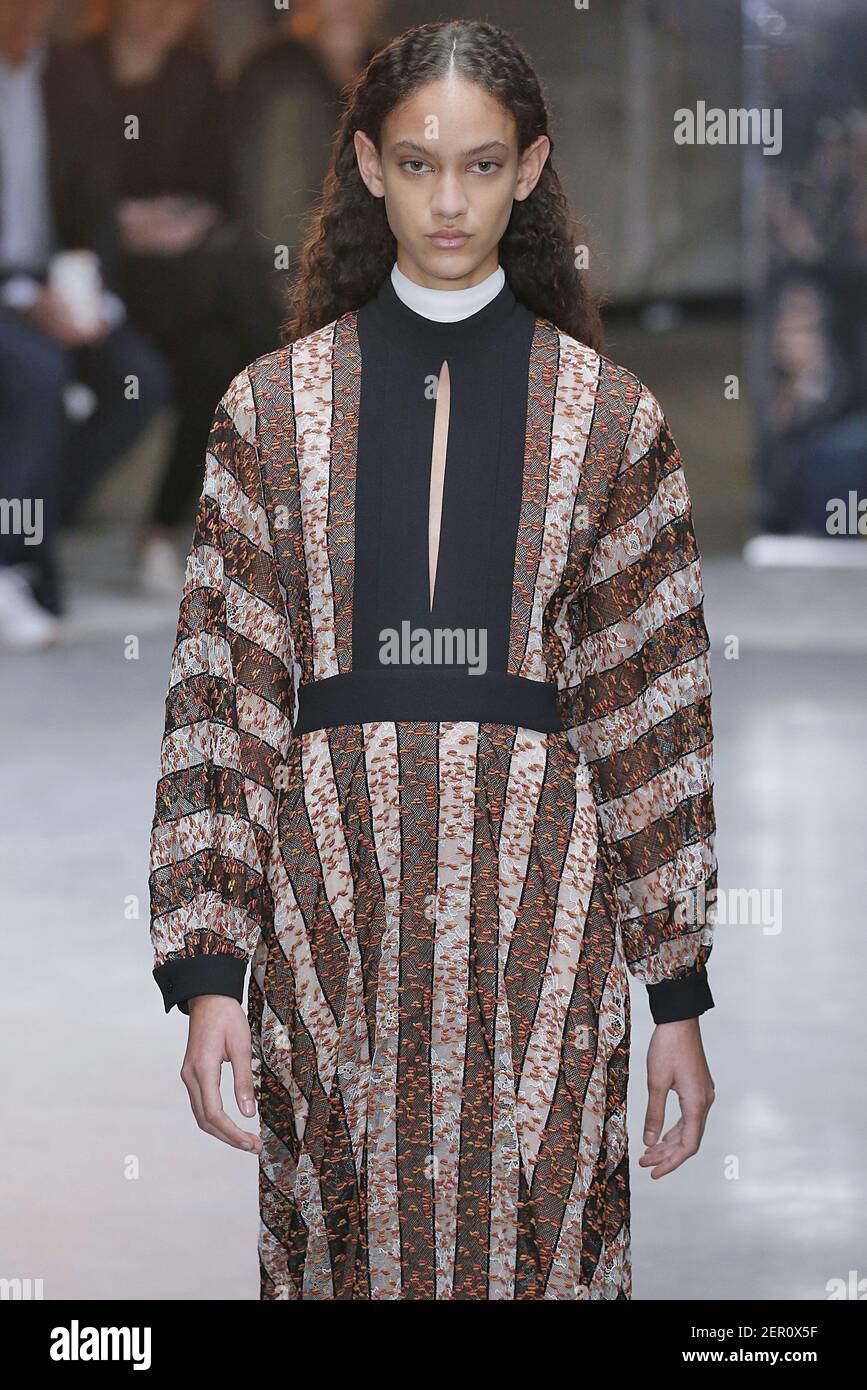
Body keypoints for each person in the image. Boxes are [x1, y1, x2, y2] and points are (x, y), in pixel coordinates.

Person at [148, 18, 717, 1300]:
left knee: (548, 1241)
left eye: (478, 164)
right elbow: (221, 702)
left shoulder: (614, 419)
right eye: (416, 164)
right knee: (339, 1242)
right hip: (332, 904)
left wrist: (674, 988)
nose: (448, 200)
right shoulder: (270, 409)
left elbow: (652, 713)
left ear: (529, 169)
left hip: (547, 916)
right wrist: (206, 973)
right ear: (363, 166)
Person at [76, 0, 269, 596]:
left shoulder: (195, 78)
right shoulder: (73, 70)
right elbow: (55, 182)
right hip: (96, 277)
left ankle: (160, 532)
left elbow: (221, 192)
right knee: (245, 309)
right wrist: (118, 221)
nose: (166, 11)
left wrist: (181, 222)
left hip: (181, 276)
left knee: (220, 363)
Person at [0, 0, 170, 647]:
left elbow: (96, 200)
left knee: (139, 380)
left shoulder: (71, 75)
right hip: (8, 294)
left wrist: (89, 292)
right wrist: (23, 297)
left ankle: (31, 525)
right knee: (39, 375)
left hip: (57, 282)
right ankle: (13, 563)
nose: (24, 16)